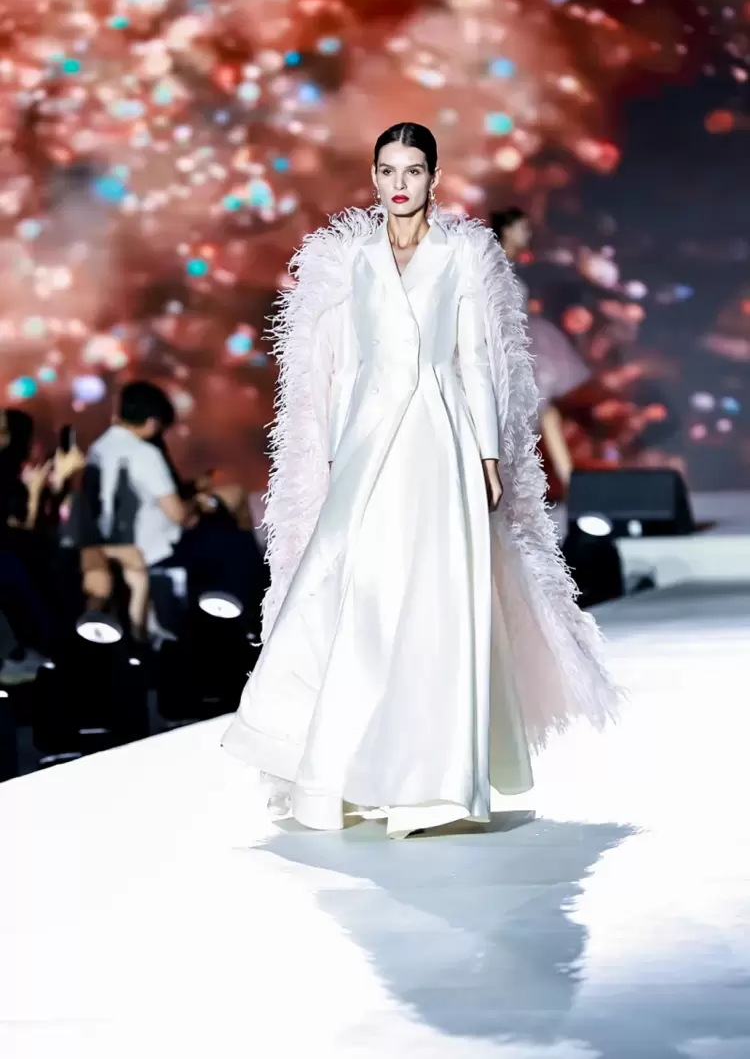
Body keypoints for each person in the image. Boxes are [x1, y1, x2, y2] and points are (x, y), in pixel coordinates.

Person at [222, 122, 621, 839]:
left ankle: (433, 787)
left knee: (439, 598)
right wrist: (332, 454)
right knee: (358, 593)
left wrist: (489, 454)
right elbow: (345, 366)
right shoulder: (354, 259)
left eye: (412, 170)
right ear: (373, 177)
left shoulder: (461, 255)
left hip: (440, 438)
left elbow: (477, 360)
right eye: (387, 169)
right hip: (366, 441)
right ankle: (348, 771)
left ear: (434, 177)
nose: (399, 183)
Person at [492, 207, 592, 496]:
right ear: (508, 231)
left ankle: (571, 486)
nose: (528, 234)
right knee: (517, 421)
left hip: (526, 349)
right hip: (505, 353)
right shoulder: (491, 268)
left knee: (544, 415)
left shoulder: (509, 267)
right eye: (522, 228)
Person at [81, 382, 191, 640]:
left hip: (107, 542)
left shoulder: (97, 448)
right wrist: (197, 505)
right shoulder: (145, 453)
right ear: (152, 422)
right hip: (152, 549)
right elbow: (177, 514)